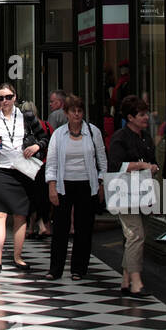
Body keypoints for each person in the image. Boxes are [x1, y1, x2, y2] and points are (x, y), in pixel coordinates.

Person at [0, 84, 48, 274]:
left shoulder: (27, 117)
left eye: (8, 97)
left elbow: (45, 138)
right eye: (1, 98)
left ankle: (18, 257)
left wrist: (36, 147)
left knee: (21, 214)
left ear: (15, 98)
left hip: (22, 170)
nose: (5, 101)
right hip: (1, 171)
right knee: (0, 213)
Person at [44, 95, 107, 281]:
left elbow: (102, 159)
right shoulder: (59, 134)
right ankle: (55, 269)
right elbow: (52, 162)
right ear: (66, 113)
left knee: (83, 227)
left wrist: (102, 182)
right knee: (61, 228)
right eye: (73, 111)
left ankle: (78, 269)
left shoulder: (93, 132)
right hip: (64, 184)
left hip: (87, 184)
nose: (77, 114)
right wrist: (52, 186)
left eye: (80, 111)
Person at [108, 94, 158, 298]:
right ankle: (136, 281)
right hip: (124, 193)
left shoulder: (145, 137)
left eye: (146, 114)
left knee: (135, 236)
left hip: (143, 192)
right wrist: (141, 165)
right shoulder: (120, 137)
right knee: (135, 234)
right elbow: (115, 166)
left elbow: (152, 160)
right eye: (141, 114)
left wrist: (152, 167)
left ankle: (126, 279)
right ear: (130, 117)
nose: (145, 118)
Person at [22, 100, 53, 239]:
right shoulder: (46, 125)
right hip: (43, 164)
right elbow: (51, 143)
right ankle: (42, 225)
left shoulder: (24, 126)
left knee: (32, 197)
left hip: (28, 165)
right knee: (41, 196)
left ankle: (31, 227)